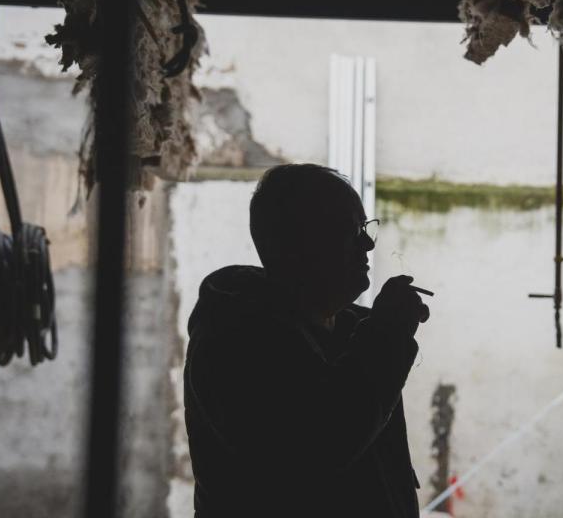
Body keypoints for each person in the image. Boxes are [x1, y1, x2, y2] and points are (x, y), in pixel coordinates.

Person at [184, 164, 429, 517]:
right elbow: (325, 441)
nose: (368, 243)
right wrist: (388, 334)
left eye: (364, 227)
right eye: (350, 231)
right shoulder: (235, 341)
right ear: (295, 244)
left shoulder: (352, 331)